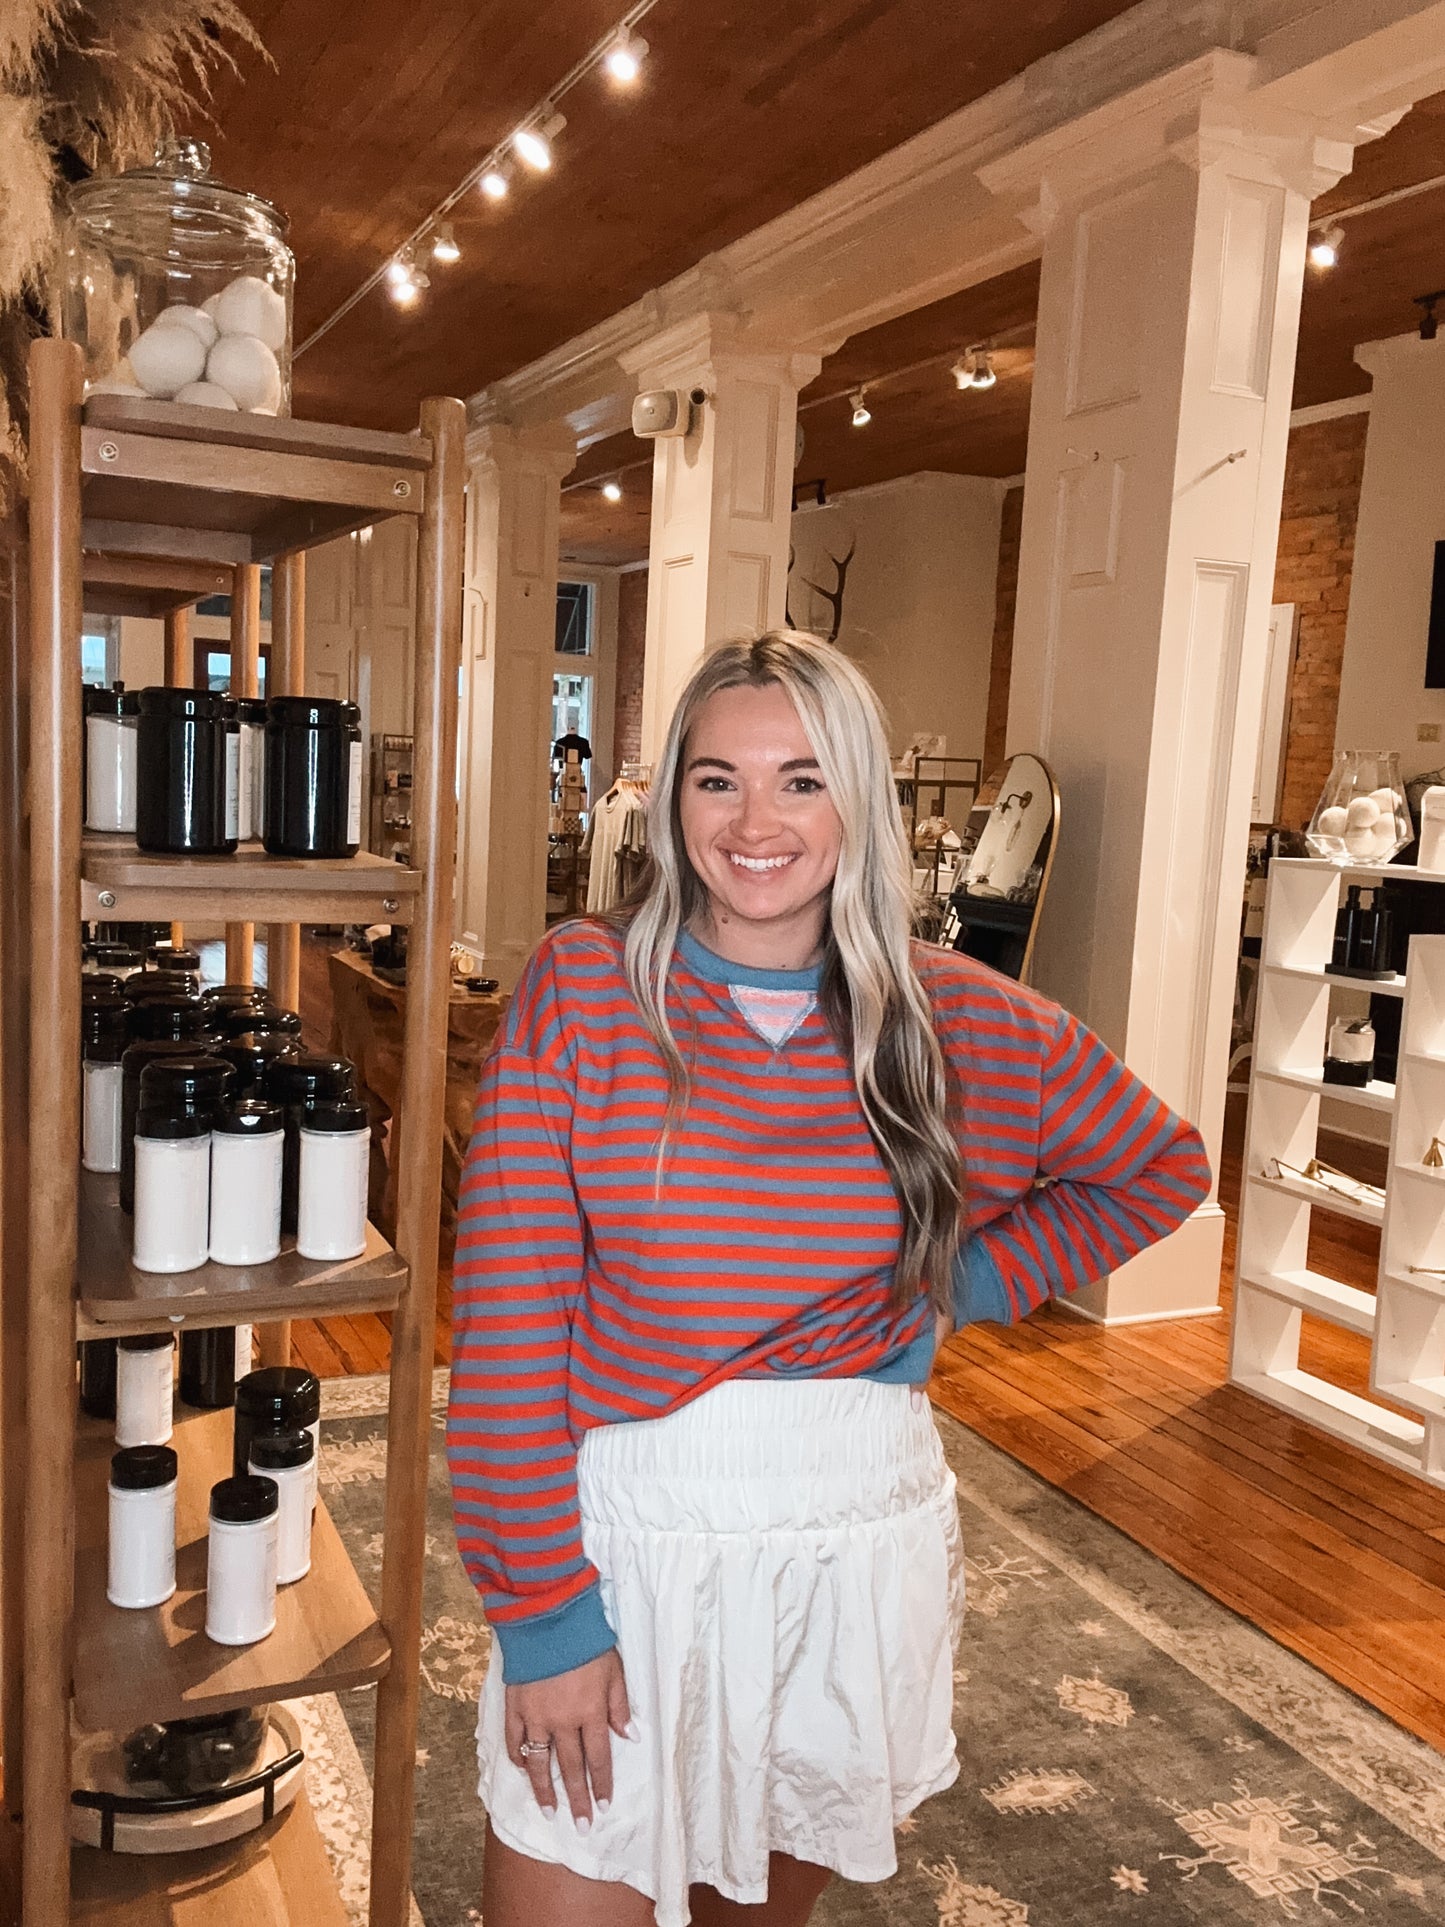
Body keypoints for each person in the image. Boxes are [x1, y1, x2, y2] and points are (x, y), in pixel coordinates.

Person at [448, 631, 1211, 1927]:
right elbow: (509, 1324)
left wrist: (951, 1286)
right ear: (671, 799)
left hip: (851, 1533)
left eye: (801, 779)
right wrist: (542, 1616)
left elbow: (1160, 1169)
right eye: (716, 779)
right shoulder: (581, 992)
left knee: (758, 1908)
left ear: (857, 796)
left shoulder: (964, 1019)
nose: (756, 821)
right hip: (634, 1542)